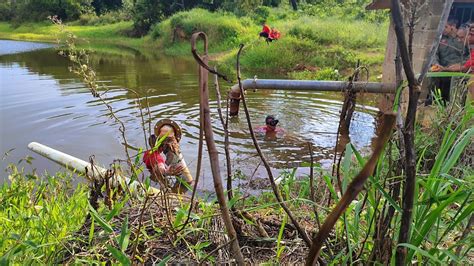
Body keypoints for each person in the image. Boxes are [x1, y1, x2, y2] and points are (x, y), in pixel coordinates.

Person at [143, 120, 193, 193]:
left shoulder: (147, 153)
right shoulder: (157, 157)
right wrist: (167, 172)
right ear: (160, 146)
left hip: (151, 174)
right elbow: (159, 167)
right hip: (157, 176)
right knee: (185, 186)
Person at [429, 20, 470, 103]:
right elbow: (433, 54)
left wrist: (462, 65)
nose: (443, 29)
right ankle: (434, 101)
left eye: (445, 27)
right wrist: (436, 64)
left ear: (453, 26)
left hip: (458, 69)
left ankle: (454, 104)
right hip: (443, 68)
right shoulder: (439, 40)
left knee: (457, 79)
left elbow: (470, 57)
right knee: (432, 75)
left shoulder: (464, 39)